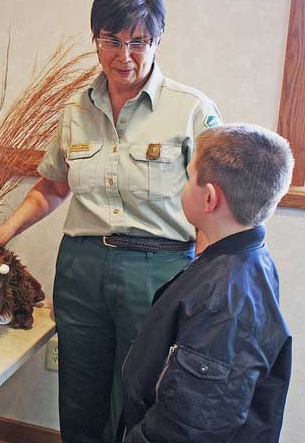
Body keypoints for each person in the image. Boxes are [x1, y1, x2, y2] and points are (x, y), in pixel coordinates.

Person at [0, 0, 221, 441]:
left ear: (158, 39)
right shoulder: (74, 110)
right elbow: (53, 185)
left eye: (138, 41)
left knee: (140, 393)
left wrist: (205, 282)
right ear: (96, 39)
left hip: (158, 269)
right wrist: (5, 231)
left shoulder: (192, 111)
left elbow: (212, 207)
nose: (124, 56)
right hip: (83, 267)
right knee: (80, 393)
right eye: (112, 40)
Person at [121, 124, 294, 443]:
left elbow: (189, 426)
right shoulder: (246, 256)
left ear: (210, 197)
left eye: (188, 177)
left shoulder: (222, 306)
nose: (183, 187)